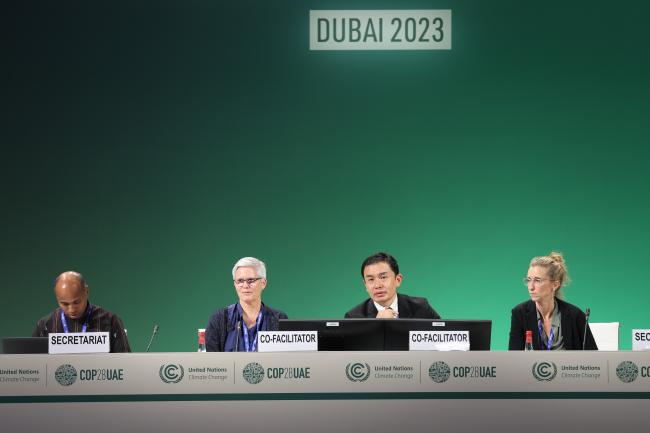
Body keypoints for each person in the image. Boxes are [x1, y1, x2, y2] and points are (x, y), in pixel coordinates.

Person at [509, 252, 597, 350]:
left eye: (537, 280)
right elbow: (514, 358)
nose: (531, 287)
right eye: (529, 280)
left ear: (555, 285)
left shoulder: (575, 315)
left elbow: (593, 358)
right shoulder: (520, 313)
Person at [32, 271, 131, 352]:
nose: (71, 309)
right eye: (64, 304)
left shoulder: (111, 321)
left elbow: (125, 363)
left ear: (86, 291)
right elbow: (32, 364)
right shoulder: (45, 325)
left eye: (77, 302)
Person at [205, 257, 288, 352]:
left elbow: (286, 361)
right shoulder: (219, 319)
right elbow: (210, 362)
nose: (245, 286)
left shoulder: (279, 319)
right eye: (240, 281)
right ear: (234, 284)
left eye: (251, 280)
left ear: (263, 283)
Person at [345, 252, 440, 319]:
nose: (377, 285)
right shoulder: (354, 317)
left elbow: (443, 340)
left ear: (398, 280)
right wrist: (376, 325)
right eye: (371, 279)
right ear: (365, 285)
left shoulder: (421, 308)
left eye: (383, 277)